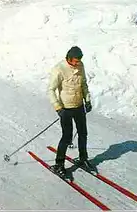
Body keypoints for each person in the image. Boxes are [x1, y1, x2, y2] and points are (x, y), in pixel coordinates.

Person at [48, 46, 93, 177]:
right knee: (67, 137)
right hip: (66, 108)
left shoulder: (80, 65)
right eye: (74, 61)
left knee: (83, 133)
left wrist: (87, 100)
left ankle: (83, 158)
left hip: (79, 105)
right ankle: (59, 164)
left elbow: (83, 84)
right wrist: (58, 107)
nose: (76, 64)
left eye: (78, 61)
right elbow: (50, 90)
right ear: (68, 58)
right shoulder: (59, 69)